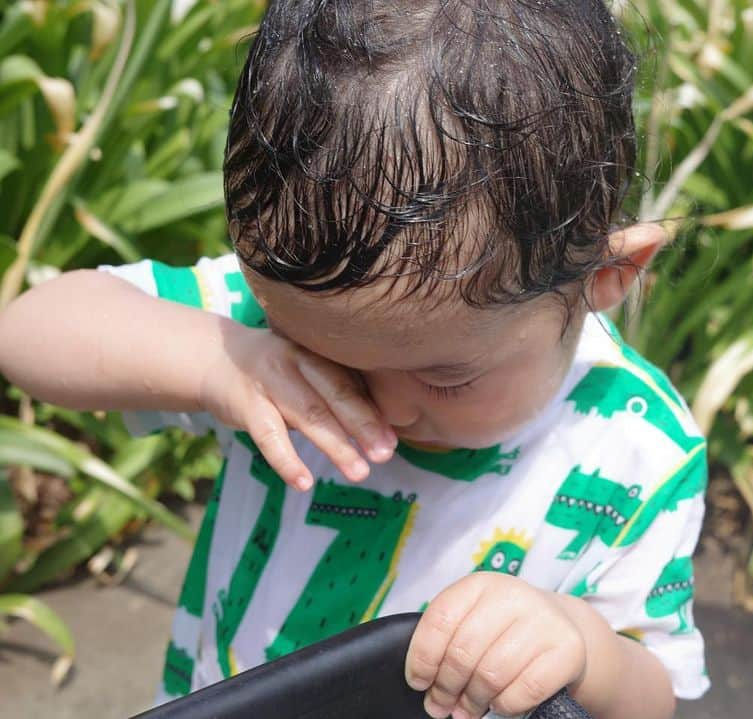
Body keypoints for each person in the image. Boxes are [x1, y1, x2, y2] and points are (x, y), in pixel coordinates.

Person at [0, 1, 709, 717]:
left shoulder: (636, 453)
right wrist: (223, 364)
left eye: (445, 376)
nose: (386, 407)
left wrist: (584, 647)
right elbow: (26, 331)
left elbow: (660, 693)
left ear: (605, 276)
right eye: (318, 350)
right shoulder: (258, 338)